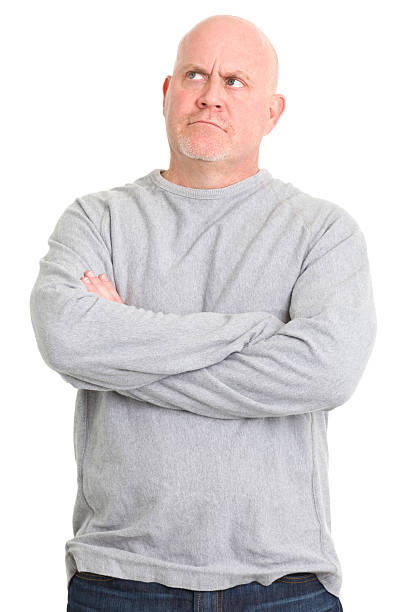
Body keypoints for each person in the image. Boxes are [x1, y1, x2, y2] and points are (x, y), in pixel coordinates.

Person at [29, 13, 376, 612]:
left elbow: (328, 370)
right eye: (195, 74)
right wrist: (256, 334)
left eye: (236, 81)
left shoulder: (323, 232)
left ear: (273, 111)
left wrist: (126, 348)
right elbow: (66, 337)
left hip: (282, 583)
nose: (211, 95)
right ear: (168, 94)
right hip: (119, 577)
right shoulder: (97, 220)